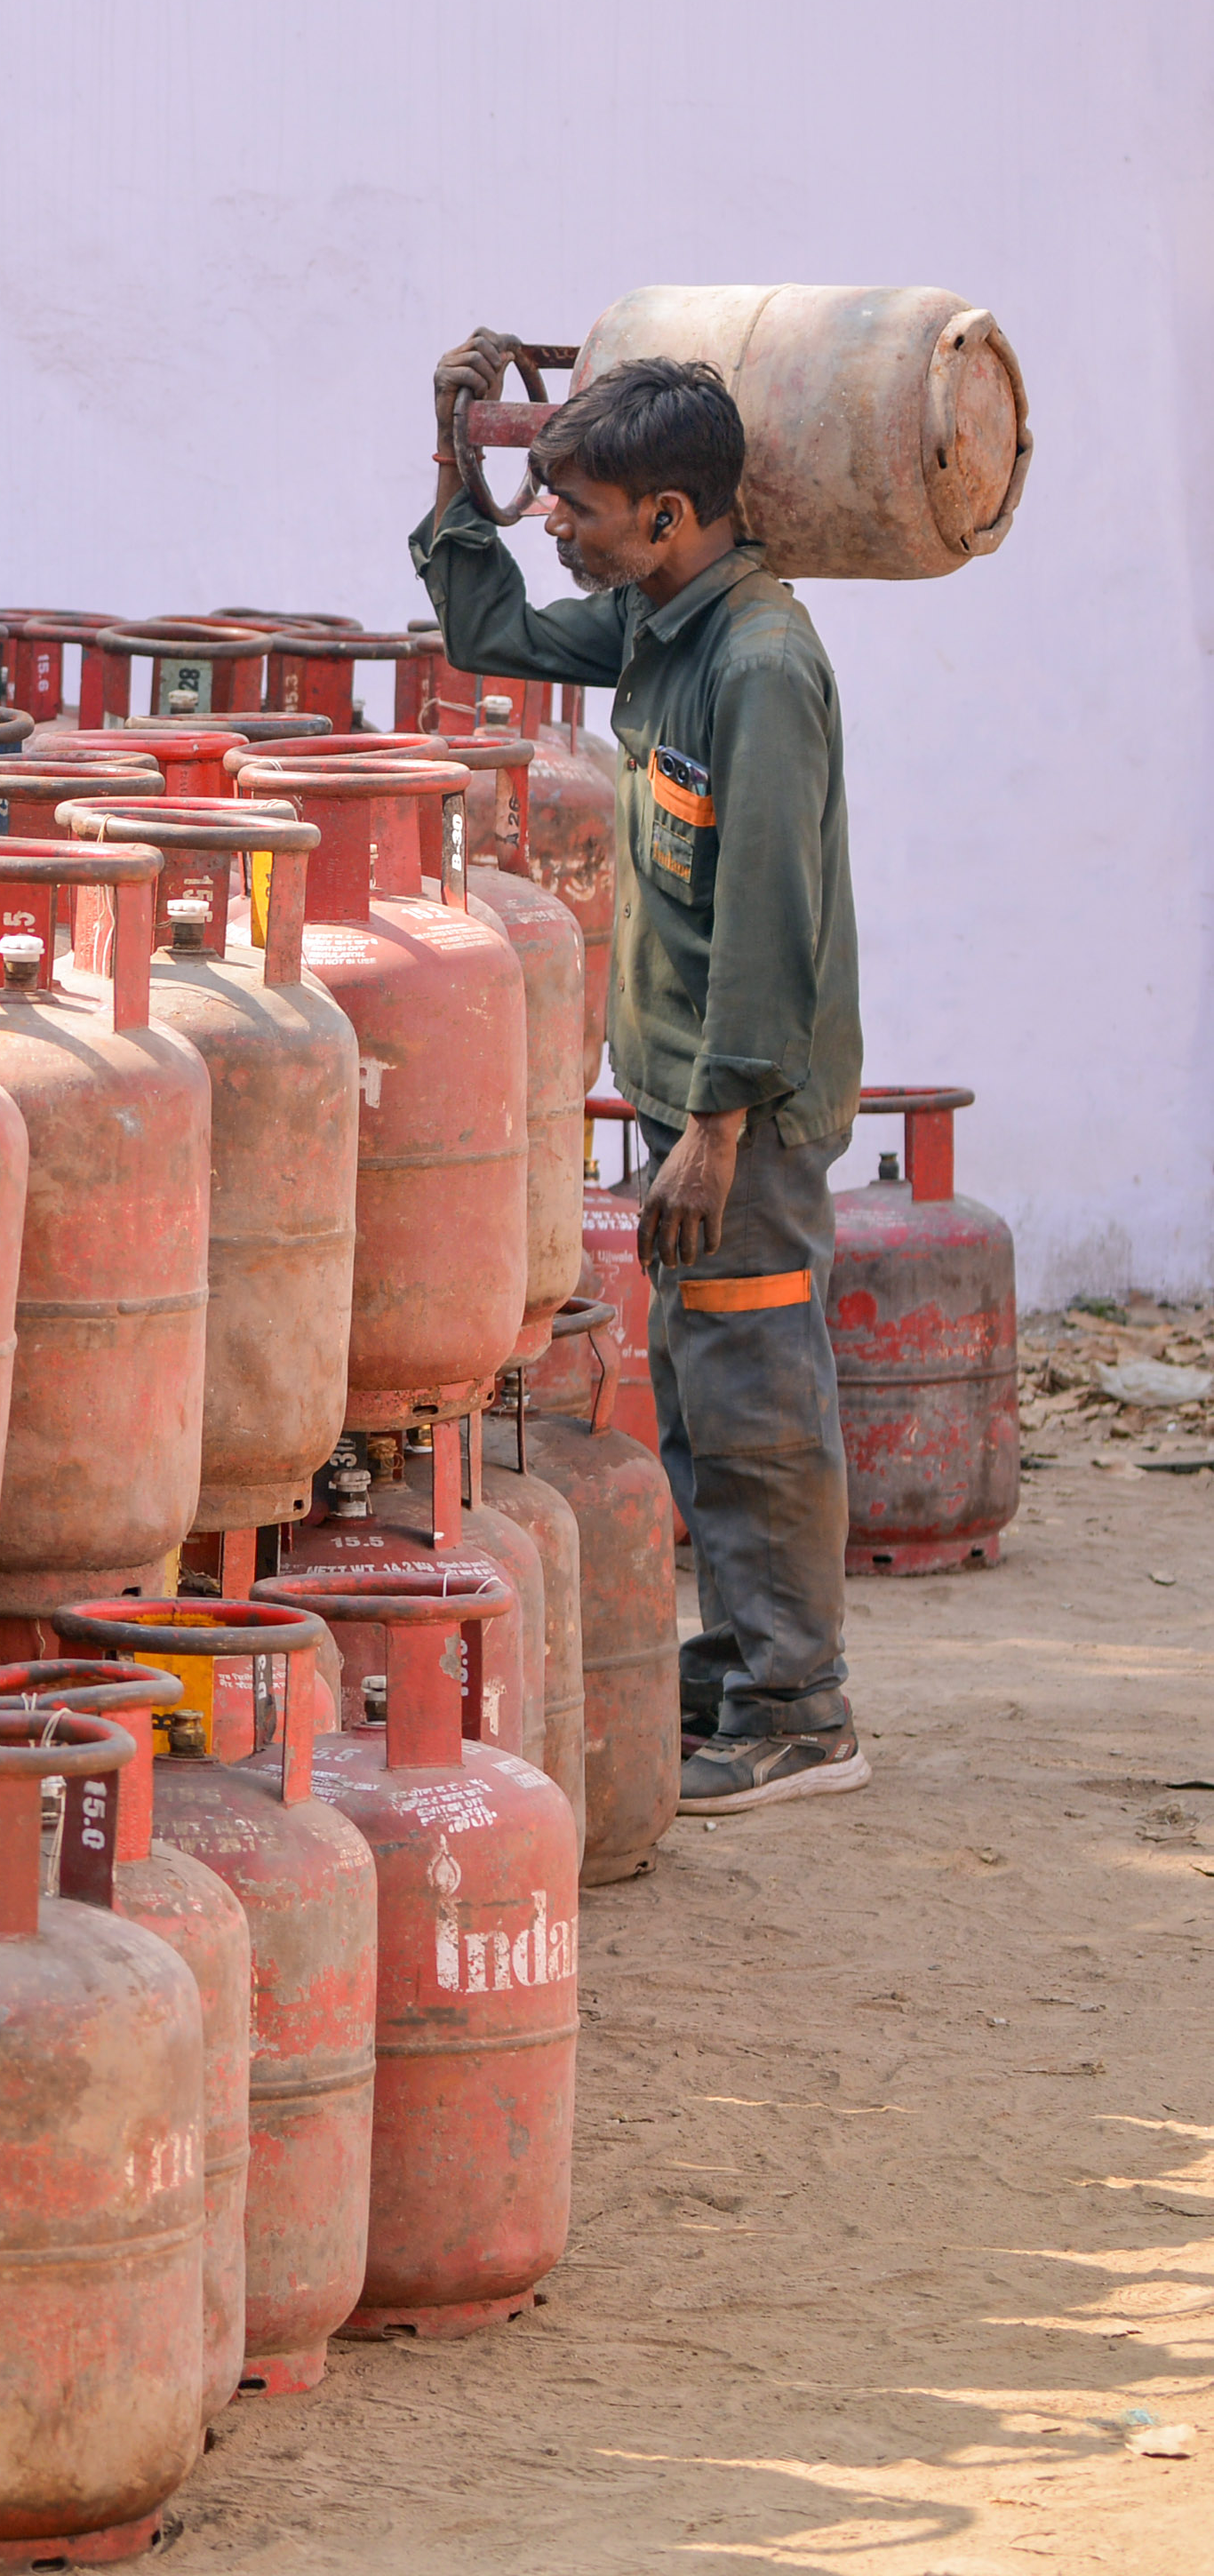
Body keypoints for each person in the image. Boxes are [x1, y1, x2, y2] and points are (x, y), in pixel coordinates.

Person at [414, 346, 866, 1812]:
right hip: (689, 1100)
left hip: (744, 1114)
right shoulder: (657, 625)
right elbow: (485, 633)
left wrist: (720, 1128)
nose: (560, 530)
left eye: (582, 510)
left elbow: (767, 920)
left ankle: (802, 1711)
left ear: (667, 516)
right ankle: (742, 1669)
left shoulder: (757, 667)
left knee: (757, 1401)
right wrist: (454, 463)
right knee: (697, 1390)